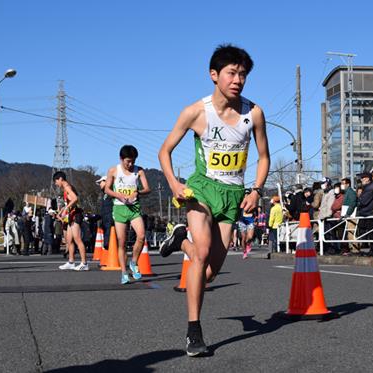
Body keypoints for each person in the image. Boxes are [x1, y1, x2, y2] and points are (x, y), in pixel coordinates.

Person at [158, 44, 269, 356]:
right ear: (214, 75)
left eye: (243, 74)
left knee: (209, 272)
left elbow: (263, 157)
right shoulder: (196, 112)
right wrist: (173, 183)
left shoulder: (254, 113)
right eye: (231, 73)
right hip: (202, 189)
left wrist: (256, 190)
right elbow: (164, 151)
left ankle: (180, 240)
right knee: (203, 252)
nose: (238, 80)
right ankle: (194, 330)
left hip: (233, 195)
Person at [104, 145, 151, 284]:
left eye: (133, 161)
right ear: (121, 159)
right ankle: (124, 272)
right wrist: (117, 195)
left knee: (141, 236)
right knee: (122, 242)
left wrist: (138, 192)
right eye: (128, 161)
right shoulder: (113, 170)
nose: (130, 164)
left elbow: (148, 188)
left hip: (134, 208)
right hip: (119, 209)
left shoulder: (139, 171)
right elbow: (106, 189)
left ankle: (134, 263)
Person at [54, 171, 90, 271]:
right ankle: (71, 261)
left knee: (77, 239)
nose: (56, 184)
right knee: (69, 240)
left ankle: (84, 263)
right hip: (71, 215)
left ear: (60, 179)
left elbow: (75, 198)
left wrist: (66, 208)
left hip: (75, 215)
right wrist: (63, 209)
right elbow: (71, 201)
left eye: (56, 181)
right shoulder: (65, 188)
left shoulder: (67, 187)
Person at [356, 172, 373, 257]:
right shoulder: (367, 187)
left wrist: (359, 197)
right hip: (368, 212)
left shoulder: (370, 188)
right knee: (370, 232)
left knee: (372, 233)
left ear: (368, 178)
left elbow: (364, 201)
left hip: (370, 212)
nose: (361, 179)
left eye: (363, 178)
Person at [237, 192, 255, 259]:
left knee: (250, 237)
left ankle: (248, 244)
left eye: (248, 194)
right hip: (242, 221)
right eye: (245, 194)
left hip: (250, 220)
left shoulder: (252, 201)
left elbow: (256, 211)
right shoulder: (241, 202)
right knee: (243, 237)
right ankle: (244, 252)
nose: (246, 195)